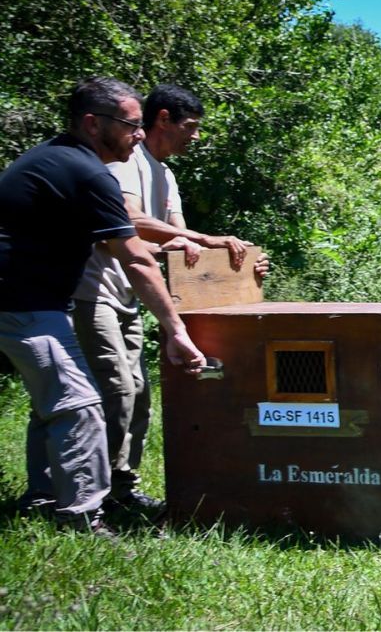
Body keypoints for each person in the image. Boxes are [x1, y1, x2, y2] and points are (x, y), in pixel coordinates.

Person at [0, 77, 206, 535]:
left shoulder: (59, 159)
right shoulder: (87, 172)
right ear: (94, 124)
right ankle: (82, 519)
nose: (139, 133)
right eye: (132, 125)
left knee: (57, 401)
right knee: (81, 404)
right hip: (21, 301)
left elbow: (123, 248)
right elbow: (134, 257)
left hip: (29, 301)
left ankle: (43, 497)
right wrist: (175, 330)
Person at [70, 84, 268, 515]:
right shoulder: (127, 162)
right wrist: (197, 238)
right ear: (163, 119)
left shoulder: (167, 175)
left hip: (130, 296)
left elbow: (183, 249)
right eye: (191, 127)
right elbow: (127, 221)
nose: (195, 137)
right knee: (116, 390)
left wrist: (244, 264)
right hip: (94, 290)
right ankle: (89, 498)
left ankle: (122, 489)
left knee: (138, 392)